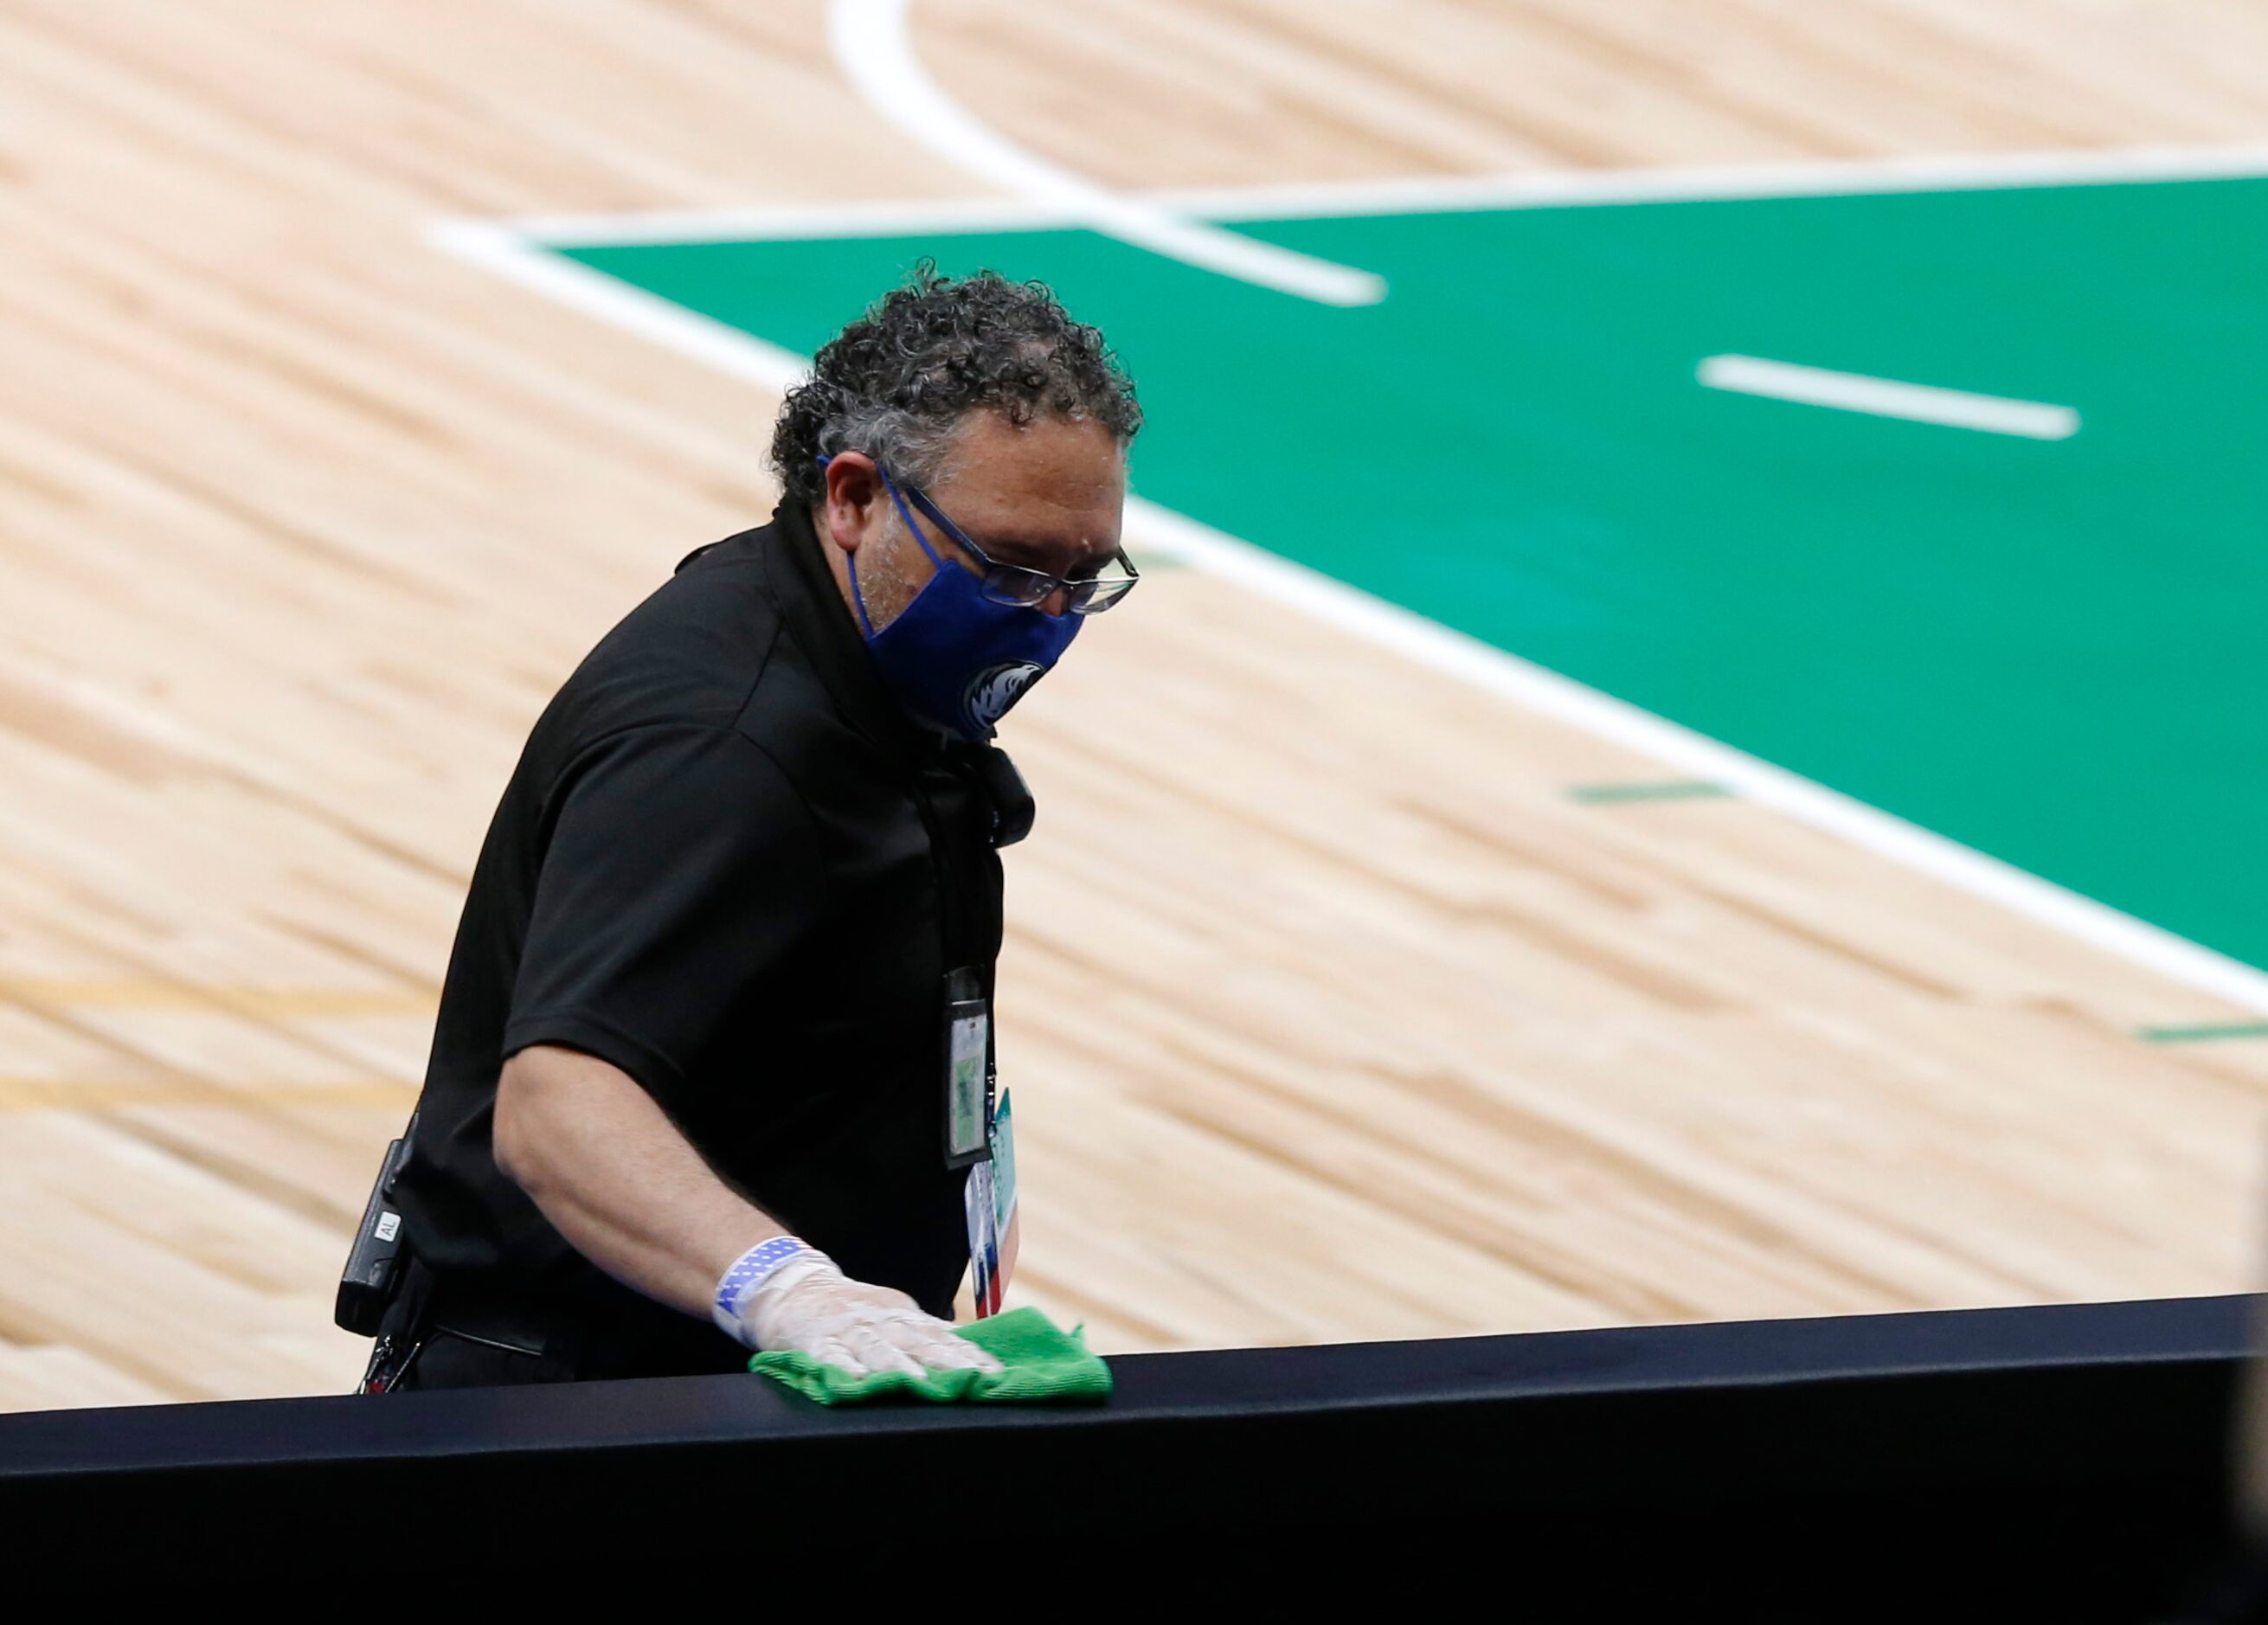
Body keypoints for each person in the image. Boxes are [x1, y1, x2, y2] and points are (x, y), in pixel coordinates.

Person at [360, 267, 1142, 1391]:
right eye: (1010, 567)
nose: (1047, 618)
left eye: (1085, 577)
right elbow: (556, 1103)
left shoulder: (883, 672)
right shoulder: (724, 743)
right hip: (581, 1403)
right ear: (855, 496)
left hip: (773, 1379)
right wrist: (786, 1288)